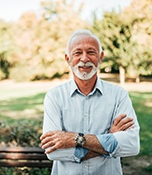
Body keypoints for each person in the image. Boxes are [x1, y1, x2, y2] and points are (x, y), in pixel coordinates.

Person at [40, 29, 140, 175]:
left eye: (91, 52)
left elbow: (131, 145)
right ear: (68, 59)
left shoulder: (119, 95)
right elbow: (53, 152)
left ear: (101, 57)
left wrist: (75, 139)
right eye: (78, 53)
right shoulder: (54, 96)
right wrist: (109, 140)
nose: (84, 58)